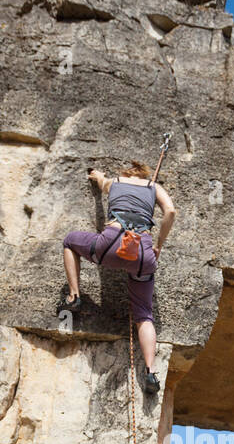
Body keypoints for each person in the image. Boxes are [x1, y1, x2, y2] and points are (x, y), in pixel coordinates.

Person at [62, 161, 176, 394]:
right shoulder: (154, 186)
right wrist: (159, 246)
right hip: (142, 253)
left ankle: (74, 296)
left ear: (126, 173)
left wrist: (96, 175)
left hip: (110, 244)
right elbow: (171, 212)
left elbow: (101, 181)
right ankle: (150, 372)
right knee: (144, 314)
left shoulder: (116, 182)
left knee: (70, 241)